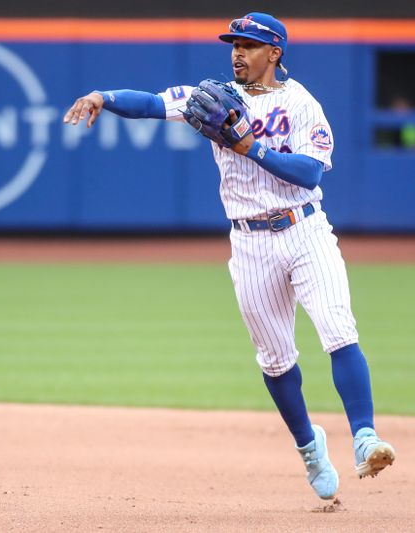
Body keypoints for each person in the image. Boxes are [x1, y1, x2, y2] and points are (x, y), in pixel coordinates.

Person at [63, 12, 395, 501]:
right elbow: (153, 103)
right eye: (233, 43)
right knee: (276, 361)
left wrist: (249, 147)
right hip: (250, 242)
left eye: (249, 44)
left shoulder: (302, 104)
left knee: (338, 328)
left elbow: (310, 174)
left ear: (275, 52)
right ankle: (309, 446)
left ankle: (365, 436)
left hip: (305, 229)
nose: (237, 51)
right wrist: (102, 98)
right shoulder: (215, 97)